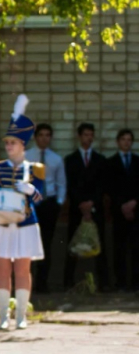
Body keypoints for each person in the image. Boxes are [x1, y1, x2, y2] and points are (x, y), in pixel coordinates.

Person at [0, 95, 44, 330]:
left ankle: (21, 316)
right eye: (7, 143)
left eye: (13, 143)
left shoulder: (34, 169)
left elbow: (41, 197)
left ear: (22, 145)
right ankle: (4, 316)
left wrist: (31, 190)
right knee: (2, 269)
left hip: (26, 224)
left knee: (22, 270)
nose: (9, 147)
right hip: (0, 223)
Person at [64, 122, 108, 290]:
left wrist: (91, 203)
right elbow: (70, 185)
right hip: (77, 208)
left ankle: (103, 283)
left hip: (96, 208)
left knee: (99, 243)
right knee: (72, 244)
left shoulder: (100, 160)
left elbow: (102, 185)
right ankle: (68, 281)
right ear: (79, 137)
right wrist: (81, 204)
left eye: (90, 135)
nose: (88, 138)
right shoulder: (70, 160)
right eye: (85, 135)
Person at [25, 123, 66, 293]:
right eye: (41, 135)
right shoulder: (27, 156)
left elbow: (61, 183)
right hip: (30, 204)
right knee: (29, 242)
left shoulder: (56, 159)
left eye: (47, 135)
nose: (44, 138)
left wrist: (59, 202)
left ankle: (42, 282)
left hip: (49, 203)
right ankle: (27, 282)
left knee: (46, 243)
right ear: (35, 137)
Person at [107, 129, 139, 291]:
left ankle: (135, 282)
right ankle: (120, 282)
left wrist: (134, 203)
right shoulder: (110, 163)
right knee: (119, 248)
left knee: (136, 248)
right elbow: (110, 188)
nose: (126, 142)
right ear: (118, 142)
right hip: (118, 211)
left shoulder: (137, 161)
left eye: (129, 140)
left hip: (136, 211)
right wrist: (122, 205)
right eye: (123, 139)